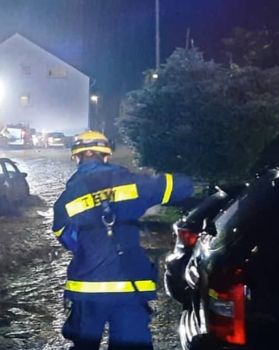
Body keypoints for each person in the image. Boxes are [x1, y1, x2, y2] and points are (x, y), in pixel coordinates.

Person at [51, 131, 193, 350]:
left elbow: (68, 239)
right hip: (130, 288)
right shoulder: (132, 183)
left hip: (86, 291)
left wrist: (93, 244)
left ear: (77, 158)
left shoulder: (65, 200)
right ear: (106, 156)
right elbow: (181, 187)